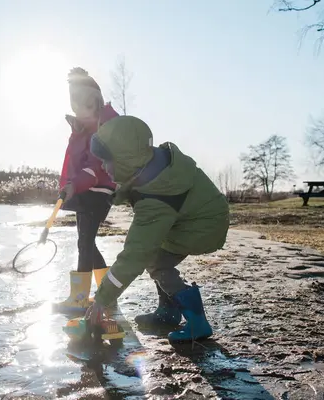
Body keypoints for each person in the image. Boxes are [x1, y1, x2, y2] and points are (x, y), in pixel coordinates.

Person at [85, 115, 230, 343]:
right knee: (154, 255)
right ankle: (168, 312)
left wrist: (102, 299)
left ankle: (197, 322)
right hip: (195, 219)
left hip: (203, 226)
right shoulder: (151, 168)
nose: (103, 166)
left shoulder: (157, 195)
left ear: (125, 158)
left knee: (154, 261)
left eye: (107, 160)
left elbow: (135, 255)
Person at [53, 67, 119, 314]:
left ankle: (79, 298)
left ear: (95, 102)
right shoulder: (80, 128)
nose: (78, 109)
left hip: (98, 191)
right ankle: (107, 293)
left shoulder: (104, 125)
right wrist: (67, 186)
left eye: (83, 104)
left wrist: (75, 185)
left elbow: (94, 166)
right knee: (88, 243)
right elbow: (73, 162)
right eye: (74, 103)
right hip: (83, 189)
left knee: (85, 242)